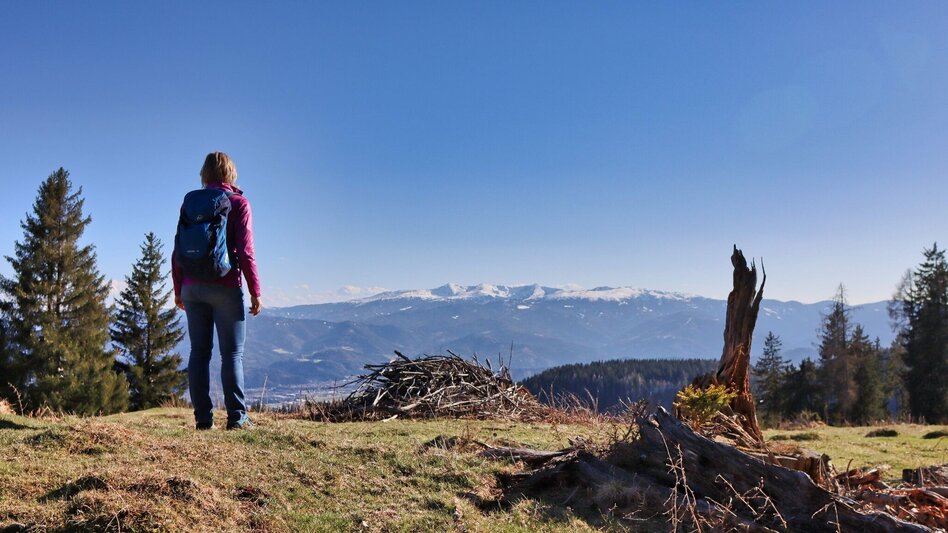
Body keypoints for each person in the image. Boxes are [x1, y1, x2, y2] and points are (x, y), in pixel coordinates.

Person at [172, 151, 262, 430]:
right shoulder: (239, 203)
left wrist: (178, 289)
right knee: (232, 355)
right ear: (230, 174)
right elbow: (246, 253)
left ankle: (202, 420)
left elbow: (177, 251)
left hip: (191, 287)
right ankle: (237, 418)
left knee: (199, 352)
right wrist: (255, 290)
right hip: (224, 286)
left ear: (205, 174)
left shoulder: (190, 203)